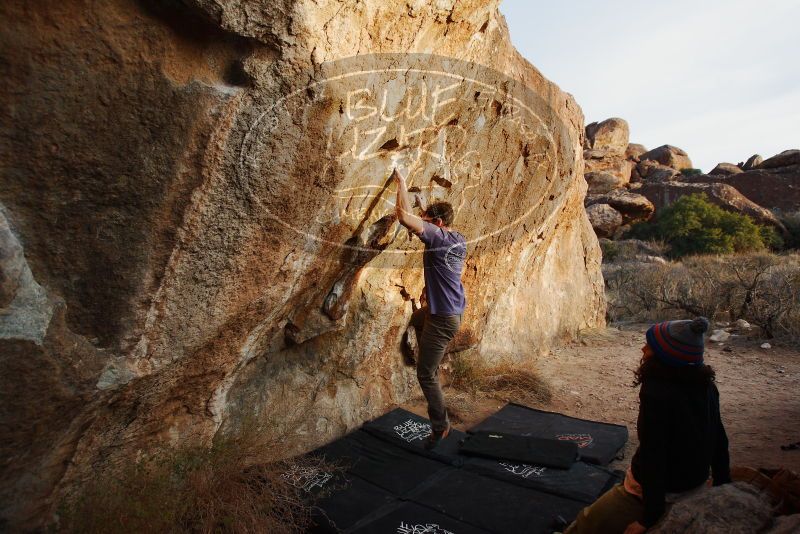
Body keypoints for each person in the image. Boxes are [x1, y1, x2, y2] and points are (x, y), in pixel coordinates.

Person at [566, 317, 731, 533]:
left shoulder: (657, 393)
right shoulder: (706, 386)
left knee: (586, 523)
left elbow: (654, 457)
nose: (643, 349)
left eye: (650, 346)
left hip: (657, 491)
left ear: (664, 357)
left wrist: (649, 518)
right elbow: (719, 438)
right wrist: (722, 486)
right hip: (695, 484)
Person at [392, 167, 467, 449]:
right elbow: (425, 219)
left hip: (444, 318)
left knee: (425, 373)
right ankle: (427, 349)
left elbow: (403, 216)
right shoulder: (457, 237)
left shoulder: (436, 237)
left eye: (427, 221)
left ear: (436, 223)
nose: (422, 224)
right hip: (449, 310)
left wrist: (402, 182)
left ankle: (440, 426)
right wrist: (424, 206)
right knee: (417, 317)